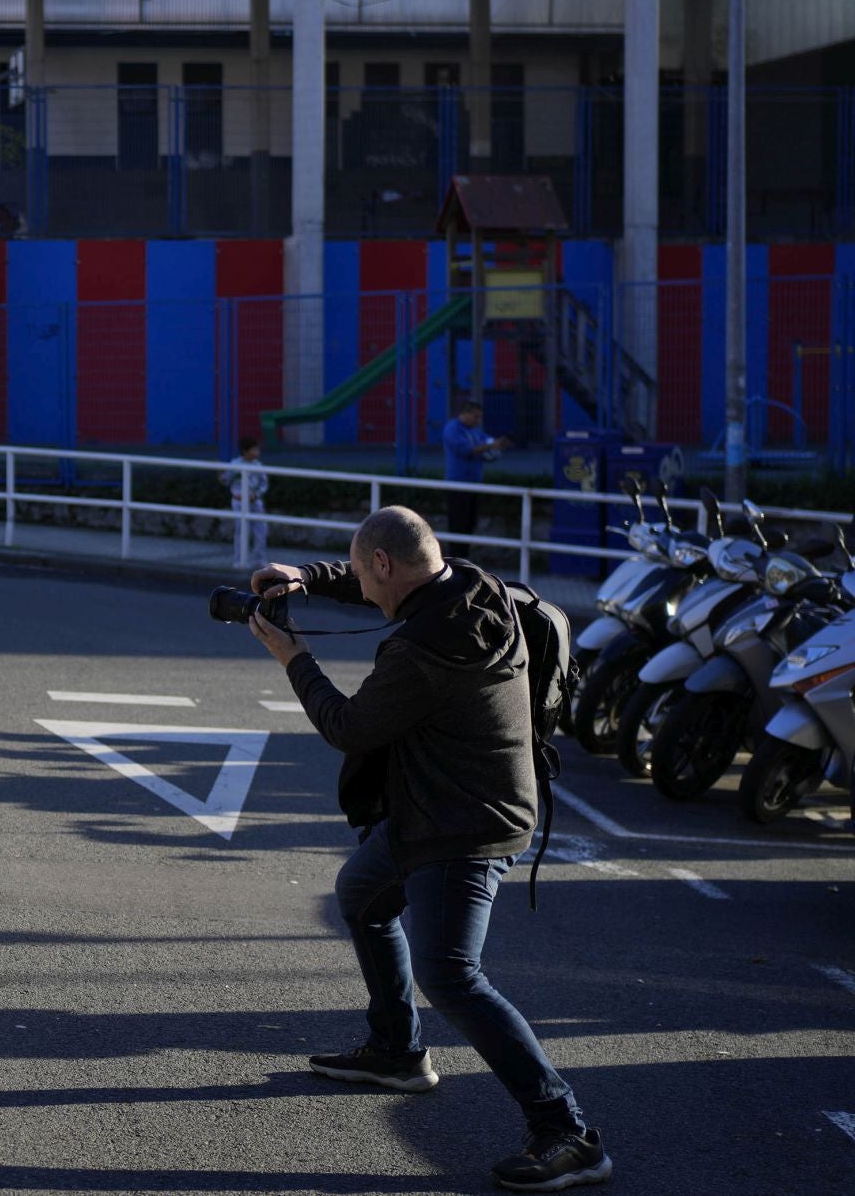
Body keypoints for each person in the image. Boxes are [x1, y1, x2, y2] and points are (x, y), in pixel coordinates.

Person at [245, 506, 611, 1193]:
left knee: (450, 974)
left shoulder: (423, 652)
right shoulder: (469, 583)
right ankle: (396, 1050)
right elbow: (381, 582)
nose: (359, 583)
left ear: (383, 565)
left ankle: (567, 1130)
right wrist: (309, 577)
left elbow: (349, 725)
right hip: (435, 809)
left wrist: (294, 657)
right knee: (361, 896)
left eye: (359, 571)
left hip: (462, 825)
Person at [442, 400, 510, 555]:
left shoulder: (476, 430)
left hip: (475, 483)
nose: (477, 420)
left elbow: (487, 444)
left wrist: (498, 445)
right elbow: (466, 450)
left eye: (479, 417)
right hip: (457, 484)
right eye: (475, 417)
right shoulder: (452, 429)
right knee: (458, 524)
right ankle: (455, 558)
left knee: (470, 523)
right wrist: (491, 446)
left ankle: (463, 557)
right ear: (464, 414)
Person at [224, 434, 270, 569]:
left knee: (261, 529)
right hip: (239, 501)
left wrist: (256, 495)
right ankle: (239, 560)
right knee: (241, 530)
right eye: (254, 449)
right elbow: (226, 480)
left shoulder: (259, 466)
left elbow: (264, 483)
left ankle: (259, 559)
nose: (257, 452)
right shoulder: (235, 465)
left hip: (255, 501)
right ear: (245, 451)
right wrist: (221, 475)